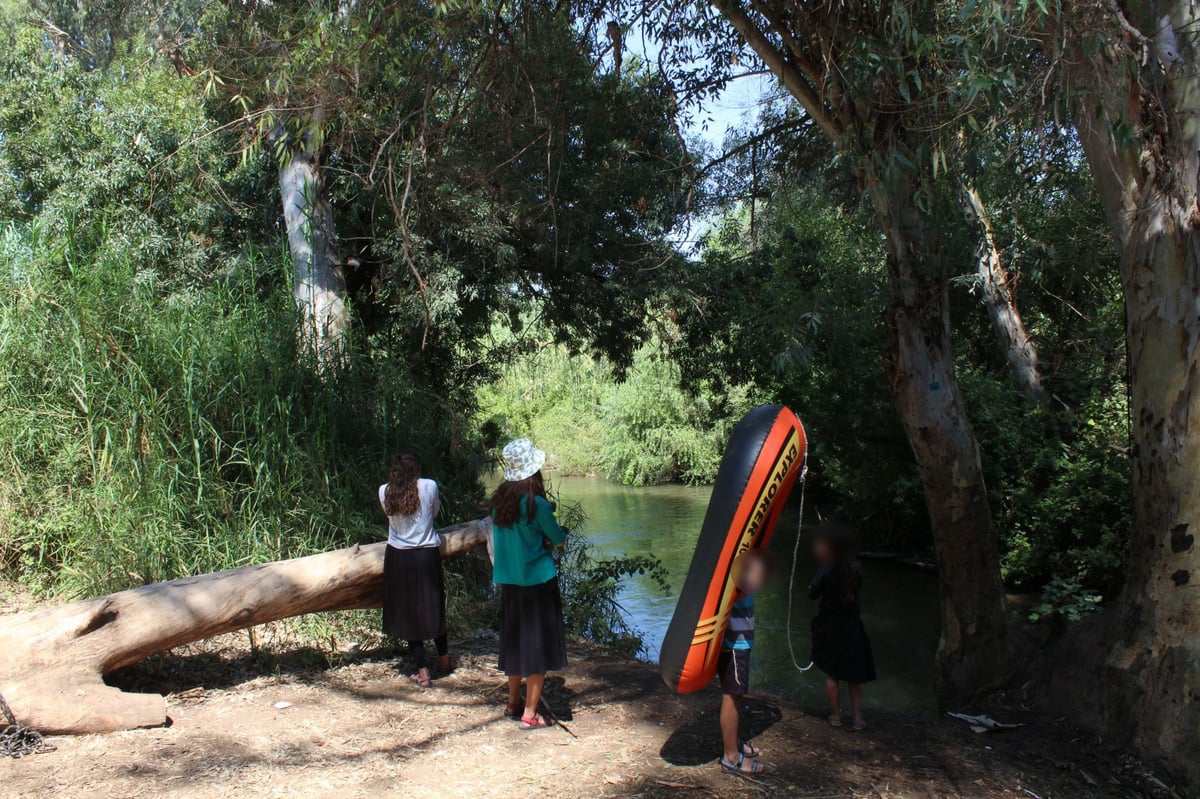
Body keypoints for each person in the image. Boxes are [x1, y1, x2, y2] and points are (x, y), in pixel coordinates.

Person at [489, 438, 568, 731]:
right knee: (537, 648)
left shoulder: (499, 505)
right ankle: (530, 714)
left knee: (514, 644)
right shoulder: (537, 505)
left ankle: (513, 702)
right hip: (537, 584)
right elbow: (557, 539)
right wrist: (550, 539)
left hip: (510, 585)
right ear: (533, 471)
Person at [379, 450, 451, 688]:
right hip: (427, 554)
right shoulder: (429, 486)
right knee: (434, 605)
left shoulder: (384, 491)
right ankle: (444, 660)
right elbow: (435, 513)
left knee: (409, 613)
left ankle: (423, 671)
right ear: (416, 468)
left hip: (399, 557)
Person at [808, 521, 876, 731]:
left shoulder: (826, 569)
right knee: (854, 676)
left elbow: (812, 594)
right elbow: (857, 587)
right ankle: (858, 719)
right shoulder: (855, 567)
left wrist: (812, 584)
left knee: (832, 674)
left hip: (831, 628)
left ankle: (836, 716)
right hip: (853, 627)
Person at [718, 549, 770, 777]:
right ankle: (730, 757)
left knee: (735, 695)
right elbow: (750, 583)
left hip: (738, 640)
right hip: (734, 642)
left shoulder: (737, 554)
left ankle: (735, 742)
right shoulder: (732, 561)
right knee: (732, 695)